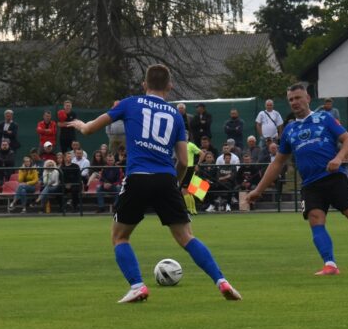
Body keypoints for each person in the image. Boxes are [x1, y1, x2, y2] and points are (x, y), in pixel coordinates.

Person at [69, 63, 241, 302]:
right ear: (170, 86)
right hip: (165, 178)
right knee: (186, 237)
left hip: (138, 177)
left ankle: (137, 285)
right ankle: (221, 281)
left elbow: (89, 130)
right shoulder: (176, 116)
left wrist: (80, 125)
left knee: (120, 237)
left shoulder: (130, 103)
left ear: (144, 84)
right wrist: (176, 184)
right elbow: (183, 160)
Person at [248, 83, 348, 276]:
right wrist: (258, 190)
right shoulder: (289, 129)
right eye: (291, 100)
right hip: (310, 184)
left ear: (308, 99)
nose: (295, 102)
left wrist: (338, 158)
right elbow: (278, 162)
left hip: (333, 177)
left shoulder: (324, 118)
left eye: (298, 98)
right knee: (315, 219)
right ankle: (330, 264)